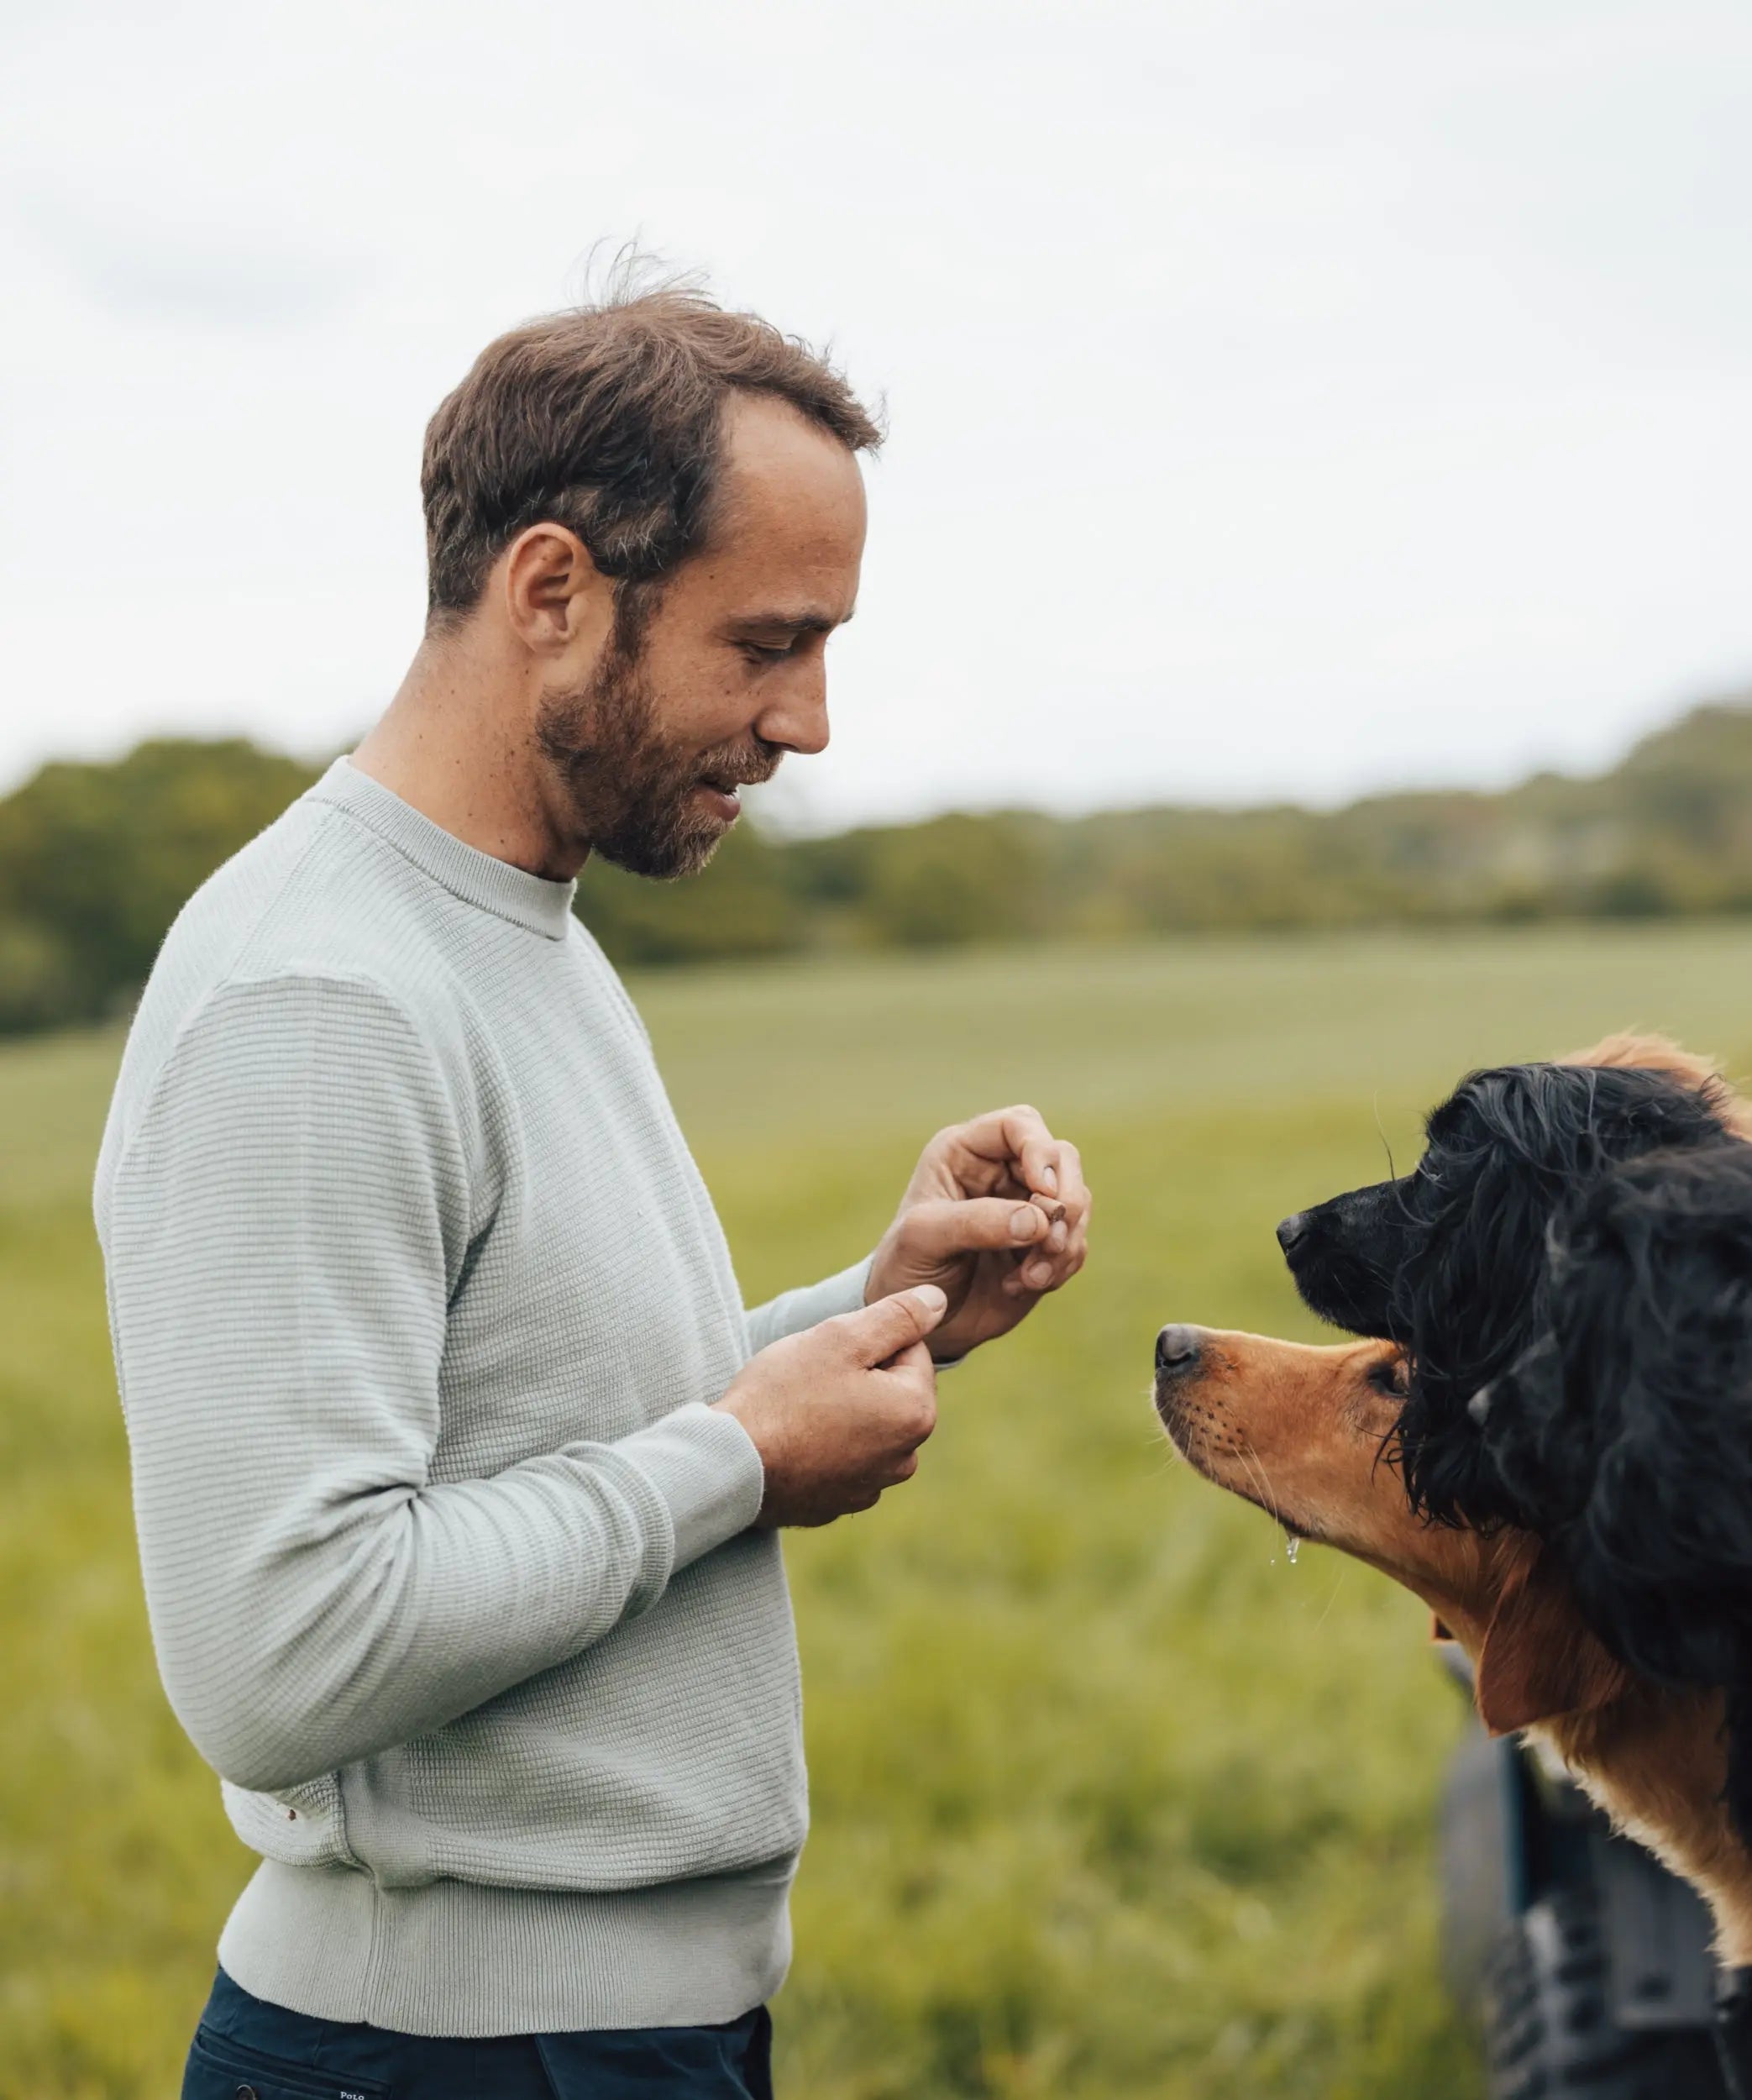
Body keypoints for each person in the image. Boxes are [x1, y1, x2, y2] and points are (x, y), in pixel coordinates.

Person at [93, 280, 1092, 2100]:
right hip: (439, 2051)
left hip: (599, 2035)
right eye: (767, 641)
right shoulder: (317, 993)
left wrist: (881, 1301)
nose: (807, 721)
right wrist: (742, 1452)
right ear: (551, 591)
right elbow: (286, 1644)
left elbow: (534, 1426)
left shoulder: (517, 927)